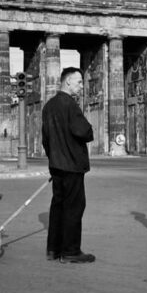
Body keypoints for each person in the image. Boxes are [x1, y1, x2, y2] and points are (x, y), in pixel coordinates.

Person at [41, 67, 95, 263]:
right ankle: (71, 251)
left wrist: (53, 159)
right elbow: (85, 132)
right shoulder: (70, 105)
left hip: (57, 165)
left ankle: (53, 249)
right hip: (72, 165)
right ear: (68, 82)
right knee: (74, 207)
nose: (81, 86)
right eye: (79, 82)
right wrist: (89, 128)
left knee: (58, 206)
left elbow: (46, 139)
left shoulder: (49, 106)